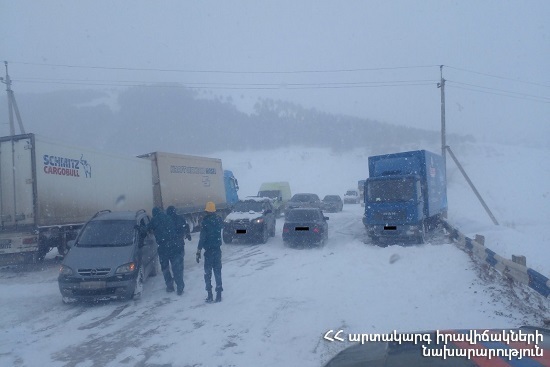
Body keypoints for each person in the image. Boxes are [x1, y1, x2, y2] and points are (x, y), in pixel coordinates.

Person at [147, 207, 184, 295]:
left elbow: (146, 229)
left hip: (163, 247)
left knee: (165, 268)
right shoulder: (168, 217)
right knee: (176, 267)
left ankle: (170, 286)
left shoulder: (154, 220)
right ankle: (180, 287)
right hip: (173, 245)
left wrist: (139, 228)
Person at [196, 201, 224, 303]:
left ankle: (210, 295)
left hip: (208, 252)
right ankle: (219, 295)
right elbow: (224, 227)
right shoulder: (218, 220)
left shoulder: (205, 222)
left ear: (207, 211)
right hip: (217, 251)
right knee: (217, 272)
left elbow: (202, 238)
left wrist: (198, 251)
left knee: (207, 273)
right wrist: (241, 231)